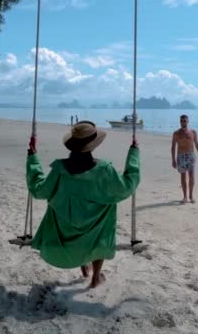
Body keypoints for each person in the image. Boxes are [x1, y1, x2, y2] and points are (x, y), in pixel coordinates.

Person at [26, 121, 140, 288]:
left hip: (66, 230)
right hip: (94, 232)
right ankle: (95, 278)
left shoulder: (59, 170)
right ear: (92, 146)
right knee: (102, 216)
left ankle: (85, 271)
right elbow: (126, 187)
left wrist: (32, 158)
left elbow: (38, 190)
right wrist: (134, 154)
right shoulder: (103, 170)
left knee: (77, 215)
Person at [171, 114, 198, 204]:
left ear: (188, 121)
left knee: (191, 177)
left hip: (191, 156)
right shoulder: (176, 133)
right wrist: (173, 160)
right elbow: (173, 147)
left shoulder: (193, 132)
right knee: (183, 176)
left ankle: (191, 196)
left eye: (185, 121)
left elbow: (197, 144)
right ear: (180, 122)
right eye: (182, 121)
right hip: (181, 156)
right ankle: (185, 196)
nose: (183, 122)